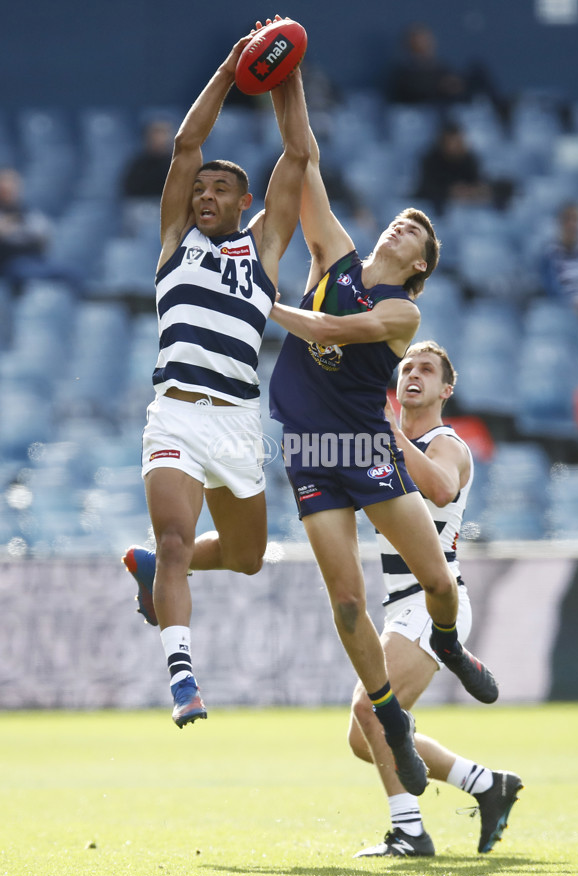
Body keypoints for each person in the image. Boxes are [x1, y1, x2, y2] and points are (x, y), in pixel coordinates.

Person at [267, 120, 498, 797]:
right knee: (349, 632)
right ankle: (420, 757)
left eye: (414, 233)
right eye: (396, 222)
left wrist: (264, 304)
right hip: (316, 450)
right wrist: (285, 67)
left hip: (369, 460)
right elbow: (303, 159)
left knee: (439, 585)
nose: (399, 229)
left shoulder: (403, 316)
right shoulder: (333, 258)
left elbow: (333, 330)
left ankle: (451, 646)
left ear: (421, 264)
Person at [122, 19, 310, 729]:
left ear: (242, 202)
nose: (203, 192)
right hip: (175, 411)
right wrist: (234, 71)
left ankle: (150, 568)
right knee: (175, 538)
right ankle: (181, 678)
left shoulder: (262, 251)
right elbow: (185, 145)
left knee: (247, 555)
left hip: (235, 419)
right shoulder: (177, 245)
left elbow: (298, 155)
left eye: (219, 187)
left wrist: (285, 72)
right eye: (198, 187)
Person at [348, 341, 523, 858]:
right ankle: (486, 784)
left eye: (426, 370)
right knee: (366, 736)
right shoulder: (388, 442)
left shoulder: (448, 443)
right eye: (406, 368)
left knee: (371, 709)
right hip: (398, 604)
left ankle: (410, 831)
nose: (413, 375)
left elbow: (442, 490)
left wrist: (392, 433)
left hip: (434, 601)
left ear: (447, 389)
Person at [0, 167, 76, 290]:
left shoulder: (29, 213)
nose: (9, 187)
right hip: (10, 264)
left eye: (13, 182)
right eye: (5, 183)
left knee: (71, 272)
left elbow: (43, 236)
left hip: (35, 260)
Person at [539, 201, 578, 329]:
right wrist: (574, 304)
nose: (572, 225)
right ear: (559, 223)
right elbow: (550, 288)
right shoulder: (548, 256)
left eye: (576, 220)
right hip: (565, 307)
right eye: (567, 219)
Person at [414, 122, 495, 215]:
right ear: (443, 142)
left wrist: (472, 190)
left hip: (467, 209)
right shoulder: (430, 160)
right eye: (452, 141)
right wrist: (449, 191)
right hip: (437, 211)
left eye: (459, 141)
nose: (457, 145)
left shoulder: (469, 159)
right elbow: (426, 188)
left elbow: (477, 181)